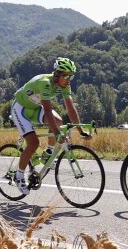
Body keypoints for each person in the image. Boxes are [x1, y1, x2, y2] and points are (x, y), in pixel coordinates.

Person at [9, 57, 88, 197]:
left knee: (58, 120)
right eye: (66, 76)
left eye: (71, 76)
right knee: (34, 143)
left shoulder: (65, 85)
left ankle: (49, 152)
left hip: (34, 108)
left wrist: (81, 130)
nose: (68, 79)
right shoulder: (45, 83)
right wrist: (57, 135)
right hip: (20, 109)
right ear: (57, 74)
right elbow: (47, 109)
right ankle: (19, 176)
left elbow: (70, 109)